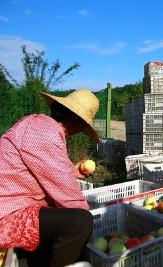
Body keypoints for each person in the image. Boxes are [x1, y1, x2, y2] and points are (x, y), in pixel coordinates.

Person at [0, 89, 99, 267]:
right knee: (80, 222)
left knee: (61, 217)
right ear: (78, 122)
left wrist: (72, 170)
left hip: (12, 207)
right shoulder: (45, 134)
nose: (81, 131)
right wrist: (93, 228)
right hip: (6, 216)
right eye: (84, 126)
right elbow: (70, 199)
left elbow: (43, 168)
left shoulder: (40, 126)